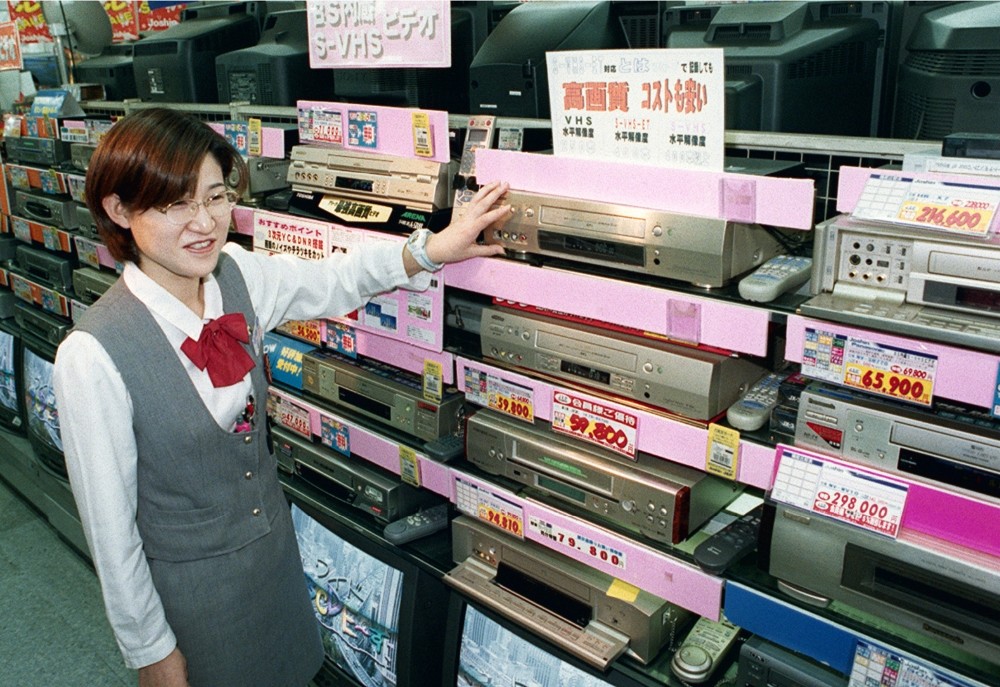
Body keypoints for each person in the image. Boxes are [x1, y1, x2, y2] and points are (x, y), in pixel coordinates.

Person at [52, 107, 511, 687]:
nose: (205, 223)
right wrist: (150, 651)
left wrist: (433, 248)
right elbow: (110, 533)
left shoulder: (236, 276)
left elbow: (336, 277)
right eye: (175, 204)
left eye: (216, 197)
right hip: (192, 606)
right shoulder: (93, 354)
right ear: (120, 210)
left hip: (275, 571)